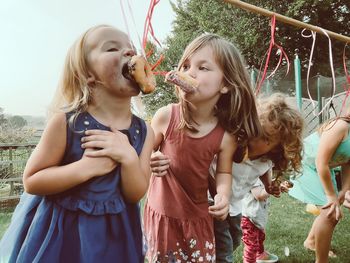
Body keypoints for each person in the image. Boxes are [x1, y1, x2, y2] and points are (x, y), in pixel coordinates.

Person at [0, 25, 154, 262]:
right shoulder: (67, 123)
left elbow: (135, 194)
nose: (129, 53)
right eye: (113, 48)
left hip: (116, 237)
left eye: (131, 49)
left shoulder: (144, 131)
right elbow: (32, 180)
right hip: (63, 236)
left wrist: (129, 158)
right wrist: (86, 168)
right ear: (87, 74)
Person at [144, 33, 262, 262]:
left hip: (197, 218)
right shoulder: (165, 117)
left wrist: (223, 196)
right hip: (163, 216)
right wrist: (151, 157)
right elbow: (141, 155)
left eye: (203, 67)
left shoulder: (225, 136)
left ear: (226, 84)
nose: (189, 73)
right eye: (186, 65)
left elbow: (224, 172)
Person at [212, 93, 304, 262]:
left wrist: (268, 185)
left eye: (266, 138)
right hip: (215, 200)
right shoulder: (233, 145)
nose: (256, 138)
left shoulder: (266, 159)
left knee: (235, 238)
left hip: (235, 206)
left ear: (279, 146)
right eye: (256, 130)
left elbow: (262, 170)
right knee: (223, 250)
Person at [289, 115, 350, 263]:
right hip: (307, 165)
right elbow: (320, 161)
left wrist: (344, 190)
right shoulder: (340, 126)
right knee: (330, 213)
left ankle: (311, 242)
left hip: (324, 168)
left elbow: (348, 163)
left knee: (331, 211)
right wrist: (331, 195)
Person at [241, 179, 291, 263]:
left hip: (257, 215)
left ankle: (260, 254)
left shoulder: (262, 173)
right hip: (249, 217)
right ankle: (249, 261)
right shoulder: (253, 176)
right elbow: (259, 195)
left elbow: (266, 185)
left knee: (260, 236)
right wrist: (272, 190)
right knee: (251, 245)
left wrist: (277, 187)